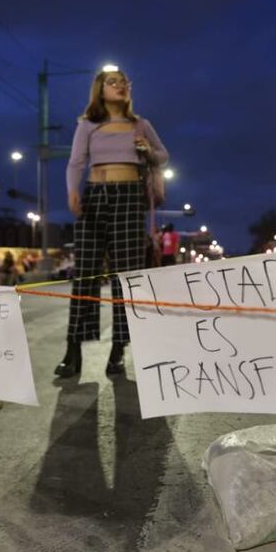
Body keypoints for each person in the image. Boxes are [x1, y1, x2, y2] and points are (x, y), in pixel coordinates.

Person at [56, 67, 170, 378]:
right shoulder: (87, 125)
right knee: (86, 273)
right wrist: (72, 192)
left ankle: (118, 349)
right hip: (95, 195)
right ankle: (73, 349)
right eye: (113, 82)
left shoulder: (140, 125)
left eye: (124, 82)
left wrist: (147, 151)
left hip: (130, 198)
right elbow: (76, 162)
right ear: (100, 89)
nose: (121, 86)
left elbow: (163, 156)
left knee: (125, 275)